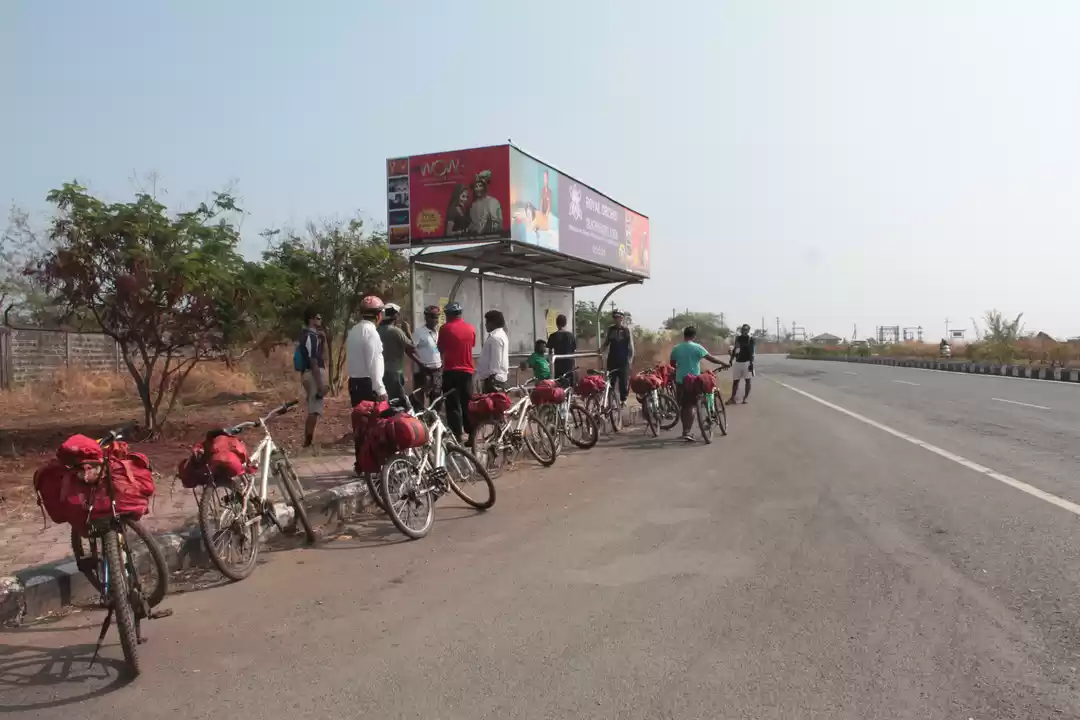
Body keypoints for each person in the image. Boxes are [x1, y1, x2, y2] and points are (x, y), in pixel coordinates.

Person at [671, 325, 729, 442]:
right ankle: (689, 430)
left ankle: (685, 430)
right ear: (694, 336)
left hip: (680, 380)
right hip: (693, 380)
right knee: (692, 405)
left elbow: (672, 363)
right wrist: (723, 363)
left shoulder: (676, 348)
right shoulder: (697, 347)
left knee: (684, 406)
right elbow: (710, 358)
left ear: (684, 335)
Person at [437, 302, 477, 442]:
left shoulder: (445, 329)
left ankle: (457, 435)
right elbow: (472, 345)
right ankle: (472, 434)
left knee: (453, 405)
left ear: (449, 315)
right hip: (467, 372)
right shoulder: (470, 329)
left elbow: (440, 348)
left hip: (451, 372)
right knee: (468, 404)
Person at [346, 296, 388, 406]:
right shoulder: (371, 333)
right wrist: (381, 390)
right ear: (378, 315)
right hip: (368, 386)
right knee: (373, 422)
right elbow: (373, 363)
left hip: (354, 383)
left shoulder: (354, 330)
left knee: (360, 420)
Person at [378, 303, 420, 409]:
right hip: (394, 372)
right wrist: (407, 331)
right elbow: (412, 347)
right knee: (400, 403)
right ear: (395, 316)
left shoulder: (377, 330)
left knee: (387, 403)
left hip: (380, 372)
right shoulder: (396, 331)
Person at [298, 307, 328, 451]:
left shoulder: (312, 336)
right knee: (314, 410)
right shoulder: (311, 337)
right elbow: (313, 361)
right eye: (318, 318)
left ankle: (308, 440)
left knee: (314, 408)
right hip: (312, 373)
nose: (320, 321)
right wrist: (320, 383)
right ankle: (307, 442)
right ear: (310, 319)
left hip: (309, 373)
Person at [601, 309, 634, 405]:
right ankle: (610, 400)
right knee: (610, 381)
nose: (617, 319)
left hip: (623, 360)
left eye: (619, 317)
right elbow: (606, 343)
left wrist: (630, 360)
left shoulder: (626, 330)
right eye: (615, 317)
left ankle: (623, 399)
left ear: (622, 318)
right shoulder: (611, 329)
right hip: (612, 359)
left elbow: (631, 346)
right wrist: (600, 351)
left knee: (623, 382)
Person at [413, 305, 442, 407]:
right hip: (423, 370)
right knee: (419, 400)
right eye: (432, 317)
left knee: (436, 399)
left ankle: (433, 420)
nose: (434, 320)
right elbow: (411, 349)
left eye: (436, 317)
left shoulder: (438, 332)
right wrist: (420, 364)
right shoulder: (419, 332)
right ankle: (420, 421)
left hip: (437, 370)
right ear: (426, 317)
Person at [478, 309, 509, 393]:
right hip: (494, 379)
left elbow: (496, 361)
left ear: (493, 323)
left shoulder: (496, 338)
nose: (485, 324)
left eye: (487, 322)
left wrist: (491, 381)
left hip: (494, 381)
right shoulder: (500, 335)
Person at [469, 170, 503, 235]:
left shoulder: (493, 202)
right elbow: (472, 224)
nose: (478, 189)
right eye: (476, 186)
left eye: (480, 186)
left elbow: (498, 224)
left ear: (485, 187)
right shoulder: (473, 205)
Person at [728, 323, 756, 405]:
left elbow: (752, 352)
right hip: (738, 362)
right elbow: (735, 349)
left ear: (748, 330)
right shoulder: (738, 338)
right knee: (735, 381)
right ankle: (732, 398)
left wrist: (751, 363)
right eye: (743, 329)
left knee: (748, 381)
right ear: (741, 330)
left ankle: (745, 398)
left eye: (746, 329)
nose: (744, 331)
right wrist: (731, 359)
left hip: (747, 362)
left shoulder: (751, 339)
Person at [547, 314, 576, 385]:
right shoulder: (571, 336)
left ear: (556, 323)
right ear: (565, 323)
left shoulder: (553, 336)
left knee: (558, 384)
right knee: (569, 384)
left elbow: (550, 352)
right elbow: (574, 350)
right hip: (569, 364)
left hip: (557, 365)